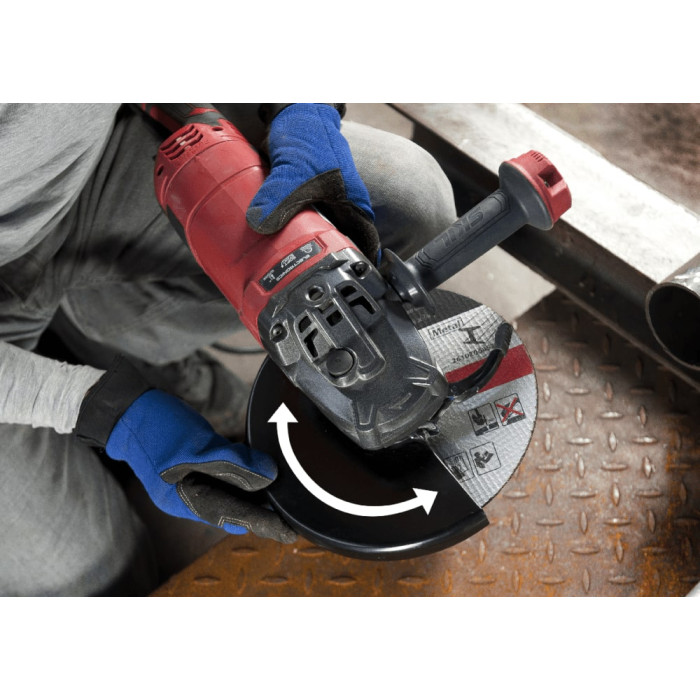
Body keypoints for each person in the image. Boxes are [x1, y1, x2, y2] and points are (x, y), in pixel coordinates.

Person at [0, 103, 457, 596]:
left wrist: (300, 106)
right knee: (99, 581)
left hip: (92, 167)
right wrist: (101, 408)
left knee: (408, 200)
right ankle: (117, 366)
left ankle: (118, 339)